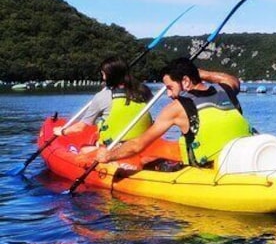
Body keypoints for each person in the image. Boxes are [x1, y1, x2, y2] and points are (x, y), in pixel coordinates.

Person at [96, 57, 252, 168]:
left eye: (170, 88)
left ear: (185, 81)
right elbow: (231, 79)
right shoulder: (227, 89)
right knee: (152, 158)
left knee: (145, 162)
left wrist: (108, 155)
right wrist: (198, 73)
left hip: (207, 171)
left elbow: (138, 145)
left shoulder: (176, 108)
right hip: (243, 160)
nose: (169, 94)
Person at [54, 56, 153, 147]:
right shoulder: (144, 91)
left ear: (110, 75)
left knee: (84, 148)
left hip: (113, 148)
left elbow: (80, 127)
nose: (103, 78)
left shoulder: (102, 96)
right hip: (141, 145)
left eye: (103, 74)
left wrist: (62, 131)